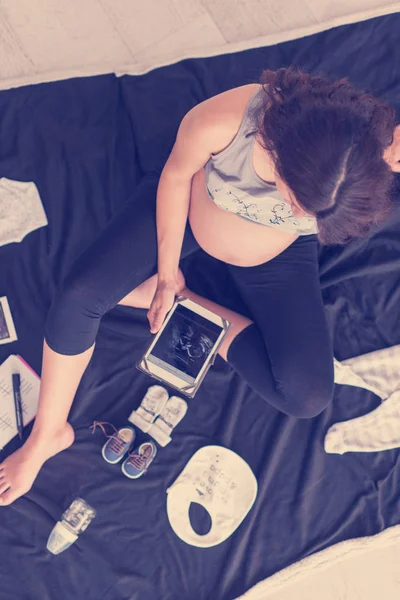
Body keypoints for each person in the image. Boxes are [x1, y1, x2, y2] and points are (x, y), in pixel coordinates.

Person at [0, 68, 399, 507]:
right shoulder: (227, 122)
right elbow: (173, 179)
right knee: (77, 298)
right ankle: (48, 435)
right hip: (192, 214)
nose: (291, 209)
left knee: (307, 395)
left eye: (306, 212)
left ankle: (186, 305)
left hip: (272, 260)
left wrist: (175, 295)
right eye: (291, 196)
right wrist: (167, 273)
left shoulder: (367, 156)